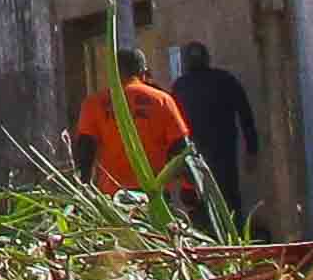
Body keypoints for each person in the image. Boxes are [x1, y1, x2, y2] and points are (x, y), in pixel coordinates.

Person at [73, 45, 195, 203]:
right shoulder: (162, 100)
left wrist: (82, 193)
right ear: (143, 72)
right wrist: (189, 188)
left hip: (113, 199)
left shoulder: (94, 104)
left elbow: (85, 153)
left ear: (113, 72)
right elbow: (181, 150)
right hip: (155, 197)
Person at [164, 38, 262, 232]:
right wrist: (252, 149)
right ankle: (234, 243)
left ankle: (209, 245)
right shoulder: (224, 80)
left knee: (200, 203)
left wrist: (173, 161)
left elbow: (172, 125)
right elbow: (246, 115)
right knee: (227, 200)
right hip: (221, 154)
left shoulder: (180, 86)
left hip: (194, 156)